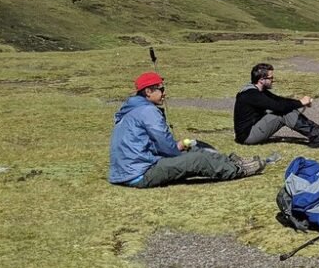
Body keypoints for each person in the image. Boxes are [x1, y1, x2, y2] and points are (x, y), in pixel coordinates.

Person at [109, 72, 265, 188]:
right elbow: (166, 145)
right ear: (148, 92)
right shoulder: (147, 111)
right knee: (196, 159)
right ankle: (237, 169)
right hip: (140, 173)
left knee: (193, 149)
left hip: (131, 168)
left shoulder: (133, 109)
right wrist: (178, 149)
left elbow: (151, 144)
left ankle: (231, 161)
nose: (165, 93)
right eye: (161, 89)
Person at [233, 63, 319, 148]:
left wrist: (299, 102)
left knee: (287, 109)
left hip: (254, 128)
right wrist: (300, 103)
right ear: (261, 80)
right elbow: (279, 106)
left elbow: (279, 100)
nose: (273, 80)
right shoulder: (251, 94)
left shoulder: (258, 91)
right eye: (271, 78)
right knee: (283, 113)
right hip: (248, 136)